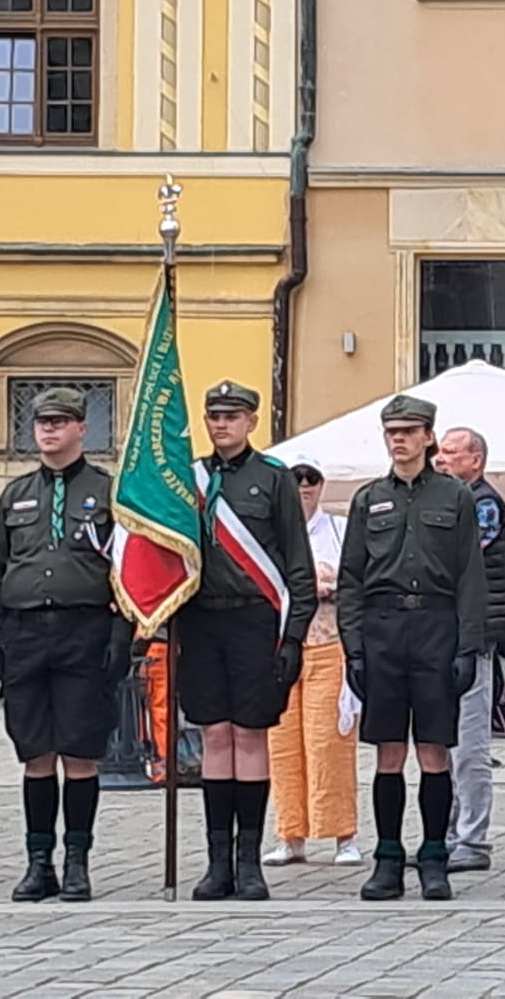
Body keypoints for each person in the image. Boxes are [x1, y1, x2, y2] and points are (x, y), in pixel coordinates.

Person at [0, 386, 131, 902]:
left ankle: (78, 862)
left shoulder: (109, 492)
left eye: (61, 422)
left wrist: (121, 636)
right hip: (24, 634)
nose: (49, 430)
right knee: (36, 753)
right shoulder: (15, 493)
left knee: (80, 753)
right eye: (42, 422)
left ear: (81, 429)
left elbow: (127, 572)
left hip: (83, 634)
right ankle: (38, 861)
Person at [338, 395, 488, 902]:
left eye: (408, 431)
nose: (398, 439)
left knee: (434, 750)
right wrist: (353, 647)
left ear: (428, 436)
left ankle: (433, 857)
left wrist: (469, 646)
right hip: (382, 628)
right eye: (391, 431)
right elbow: (351, 578)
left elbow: (470, 575)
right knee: (387, 750)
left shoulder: (454, 497)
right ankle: (386, 857)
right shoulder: (367, 498)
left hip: (435, 625)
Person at [184, 381, 316, 902]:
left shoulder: (274, 479)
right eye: (215, 415)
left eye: (233, 416)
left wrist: (295, 638)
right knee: (214, 736)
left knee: (250, 736)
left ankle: (249, 860)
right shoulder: (190, 478)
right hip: (202, 622)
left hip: (255, 622)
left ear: (252, 422)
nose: (222, 424)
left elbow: (297, 563)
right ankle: (218, 861)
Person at [264, 455, 360, 867]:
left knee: (329, 742)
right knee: (282, 745)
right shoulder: (271, 533)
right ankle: (290, 833)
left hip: (328, 643)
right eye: (296, 478)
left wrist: (325, 583)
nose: (304, 485)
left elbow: (357, 578)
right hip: (282, 645)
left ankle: (343, 833)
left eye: (311, 478)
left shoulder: (339, 530)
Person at [434, 426, 505, 873]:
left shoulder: (483, 503)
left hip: (475, 637)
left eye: (450, 452)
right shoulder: (449, 498)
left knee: (470, 747)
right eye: (440, 451)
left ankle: (473, 839)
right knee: (441, 745)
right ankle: (445, 834)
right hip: (442, 636)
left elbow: (454, 557)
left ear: (476, 461)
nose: (440, 459)